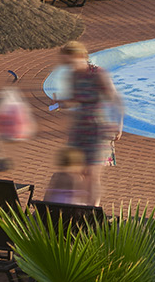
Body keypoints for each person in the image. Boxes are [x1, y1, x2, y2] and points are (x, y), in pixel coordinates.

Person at [49, 39, 120, 199]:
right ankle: (77, 207)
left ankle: (93, 212)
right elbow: (74, 100)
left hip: (98, 128)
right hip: (80, 128)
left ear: (81, 56)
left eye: (70, 62)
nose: (68, 67)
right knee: (73, 171)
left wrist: (119, 125)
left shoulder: (99, 74)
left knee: (93, 174)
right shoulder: (73, 76)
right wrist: (59, 103)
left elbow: (115, 100)